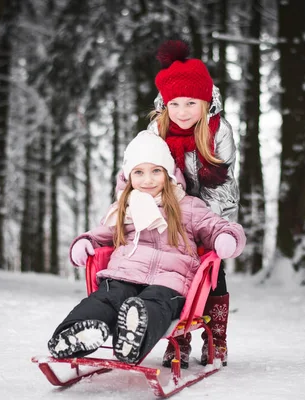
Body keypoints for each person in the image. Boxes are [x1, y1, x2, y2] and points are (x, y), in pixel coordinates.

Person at [48, 131, 245, 365]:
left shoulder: (188, 206)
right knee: (107, 299)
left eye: (155, 171)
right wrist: (85, 242)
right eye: (139, 172)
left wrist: (226, 236)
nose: (147, 180)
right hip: (124, 274)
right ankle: (75, 333)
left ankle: (133, 337)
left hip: (170, 281)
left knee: (154, 303)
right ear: (129, 176)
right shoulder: (124, 207)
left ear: (168, 173)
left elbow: (215, 226)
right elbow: (101, 235)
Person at [149, 39, 240, 368]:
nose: (183, 112)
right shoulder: (155, 131)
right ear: (165, 105)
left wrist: (206, 229)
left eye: (191, 103)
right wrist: (172, 222)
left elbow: (223, 185)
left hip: (212, 212)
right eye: (175, 104)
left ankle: (216, 337)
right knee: (173, 272)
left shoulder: (219, 131)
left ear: (205, 102)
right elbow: (147, 180)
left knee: (212, 271)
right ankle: (179, 338)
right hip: (170, 215)